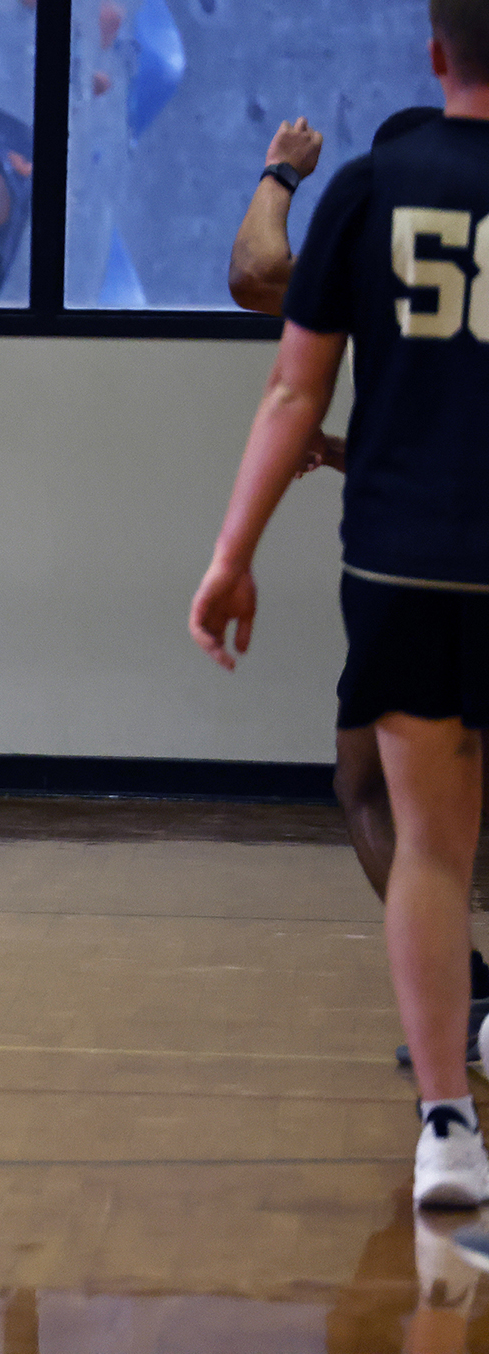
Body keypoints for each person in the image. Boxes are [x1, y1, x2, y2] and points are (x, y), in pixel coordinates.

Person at [190, 0, 489, 1209]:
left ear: (434, 59)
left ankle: (445, 1122)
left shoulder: (374, 189)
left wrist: (231, 552)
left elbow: (269, 309)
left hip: (414, 553)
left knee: (416, 829)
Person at [226, 106, 489, 1071]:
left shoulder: (386, 220)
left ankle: (457, 1045)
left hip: (416, 559)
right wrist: (354, 452)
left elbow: (255, 274)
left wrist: (280, 175)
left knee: (381, 790)